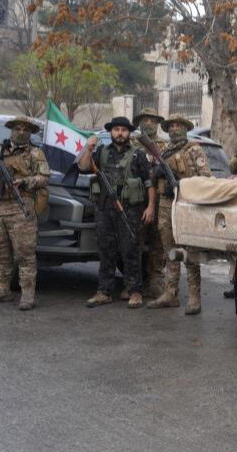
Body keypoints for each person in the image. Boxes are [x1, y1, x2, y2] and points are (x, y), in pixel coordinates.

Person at [80, 117, 156, 309]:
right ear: (111, 132)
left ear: (128, 133)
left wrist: (151, 207)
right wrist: (88, 148)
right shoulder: (101, 152)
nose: (120, 133)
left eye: (123, 130)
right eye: (116, 130)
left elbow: (149, 182)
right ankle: (104, 291)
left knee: (131, 250)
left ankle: (135, 291)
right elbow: (83, 167)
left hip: (129, 209)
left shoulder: (138, 154)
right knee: (106, 250)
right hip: (105, 208)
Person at [0, 116, 50, 311]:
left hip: (22, 206)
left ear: (30, 133)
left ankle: (27, 294)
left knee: (25, 253)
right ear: (11, 130)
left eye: (25, 129)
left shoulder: (36, 153)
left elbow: (44, 178)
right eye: (17, 128)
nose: (20, 132)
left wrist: (25, 182)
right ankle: (1, 288)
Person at [147, 113, 212, 315]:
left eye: (179, 125)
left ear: (186, 128)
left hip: (187, 203)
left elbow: (206, 178)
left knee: (191, 251)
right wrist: (156, 173)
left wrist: (182, 182)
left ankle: (194, 297)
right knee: (170, 250)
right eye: (171, 125)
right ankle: (170, 293)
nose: (175, 128)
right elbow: (151, 176)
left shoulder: (194, 149)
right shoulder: (164, 151)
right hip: (167, 204)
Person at [132, 108, 168, 298]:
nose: (149, 123)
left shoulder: (166, 146)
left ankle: (155, 280)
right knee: (134, 243)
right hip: (136, 200)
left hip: (160, 200)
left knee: (158, 243)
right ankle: (133, 283)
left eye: (153, 120)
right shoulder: (132, 143)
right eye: (145, 120)